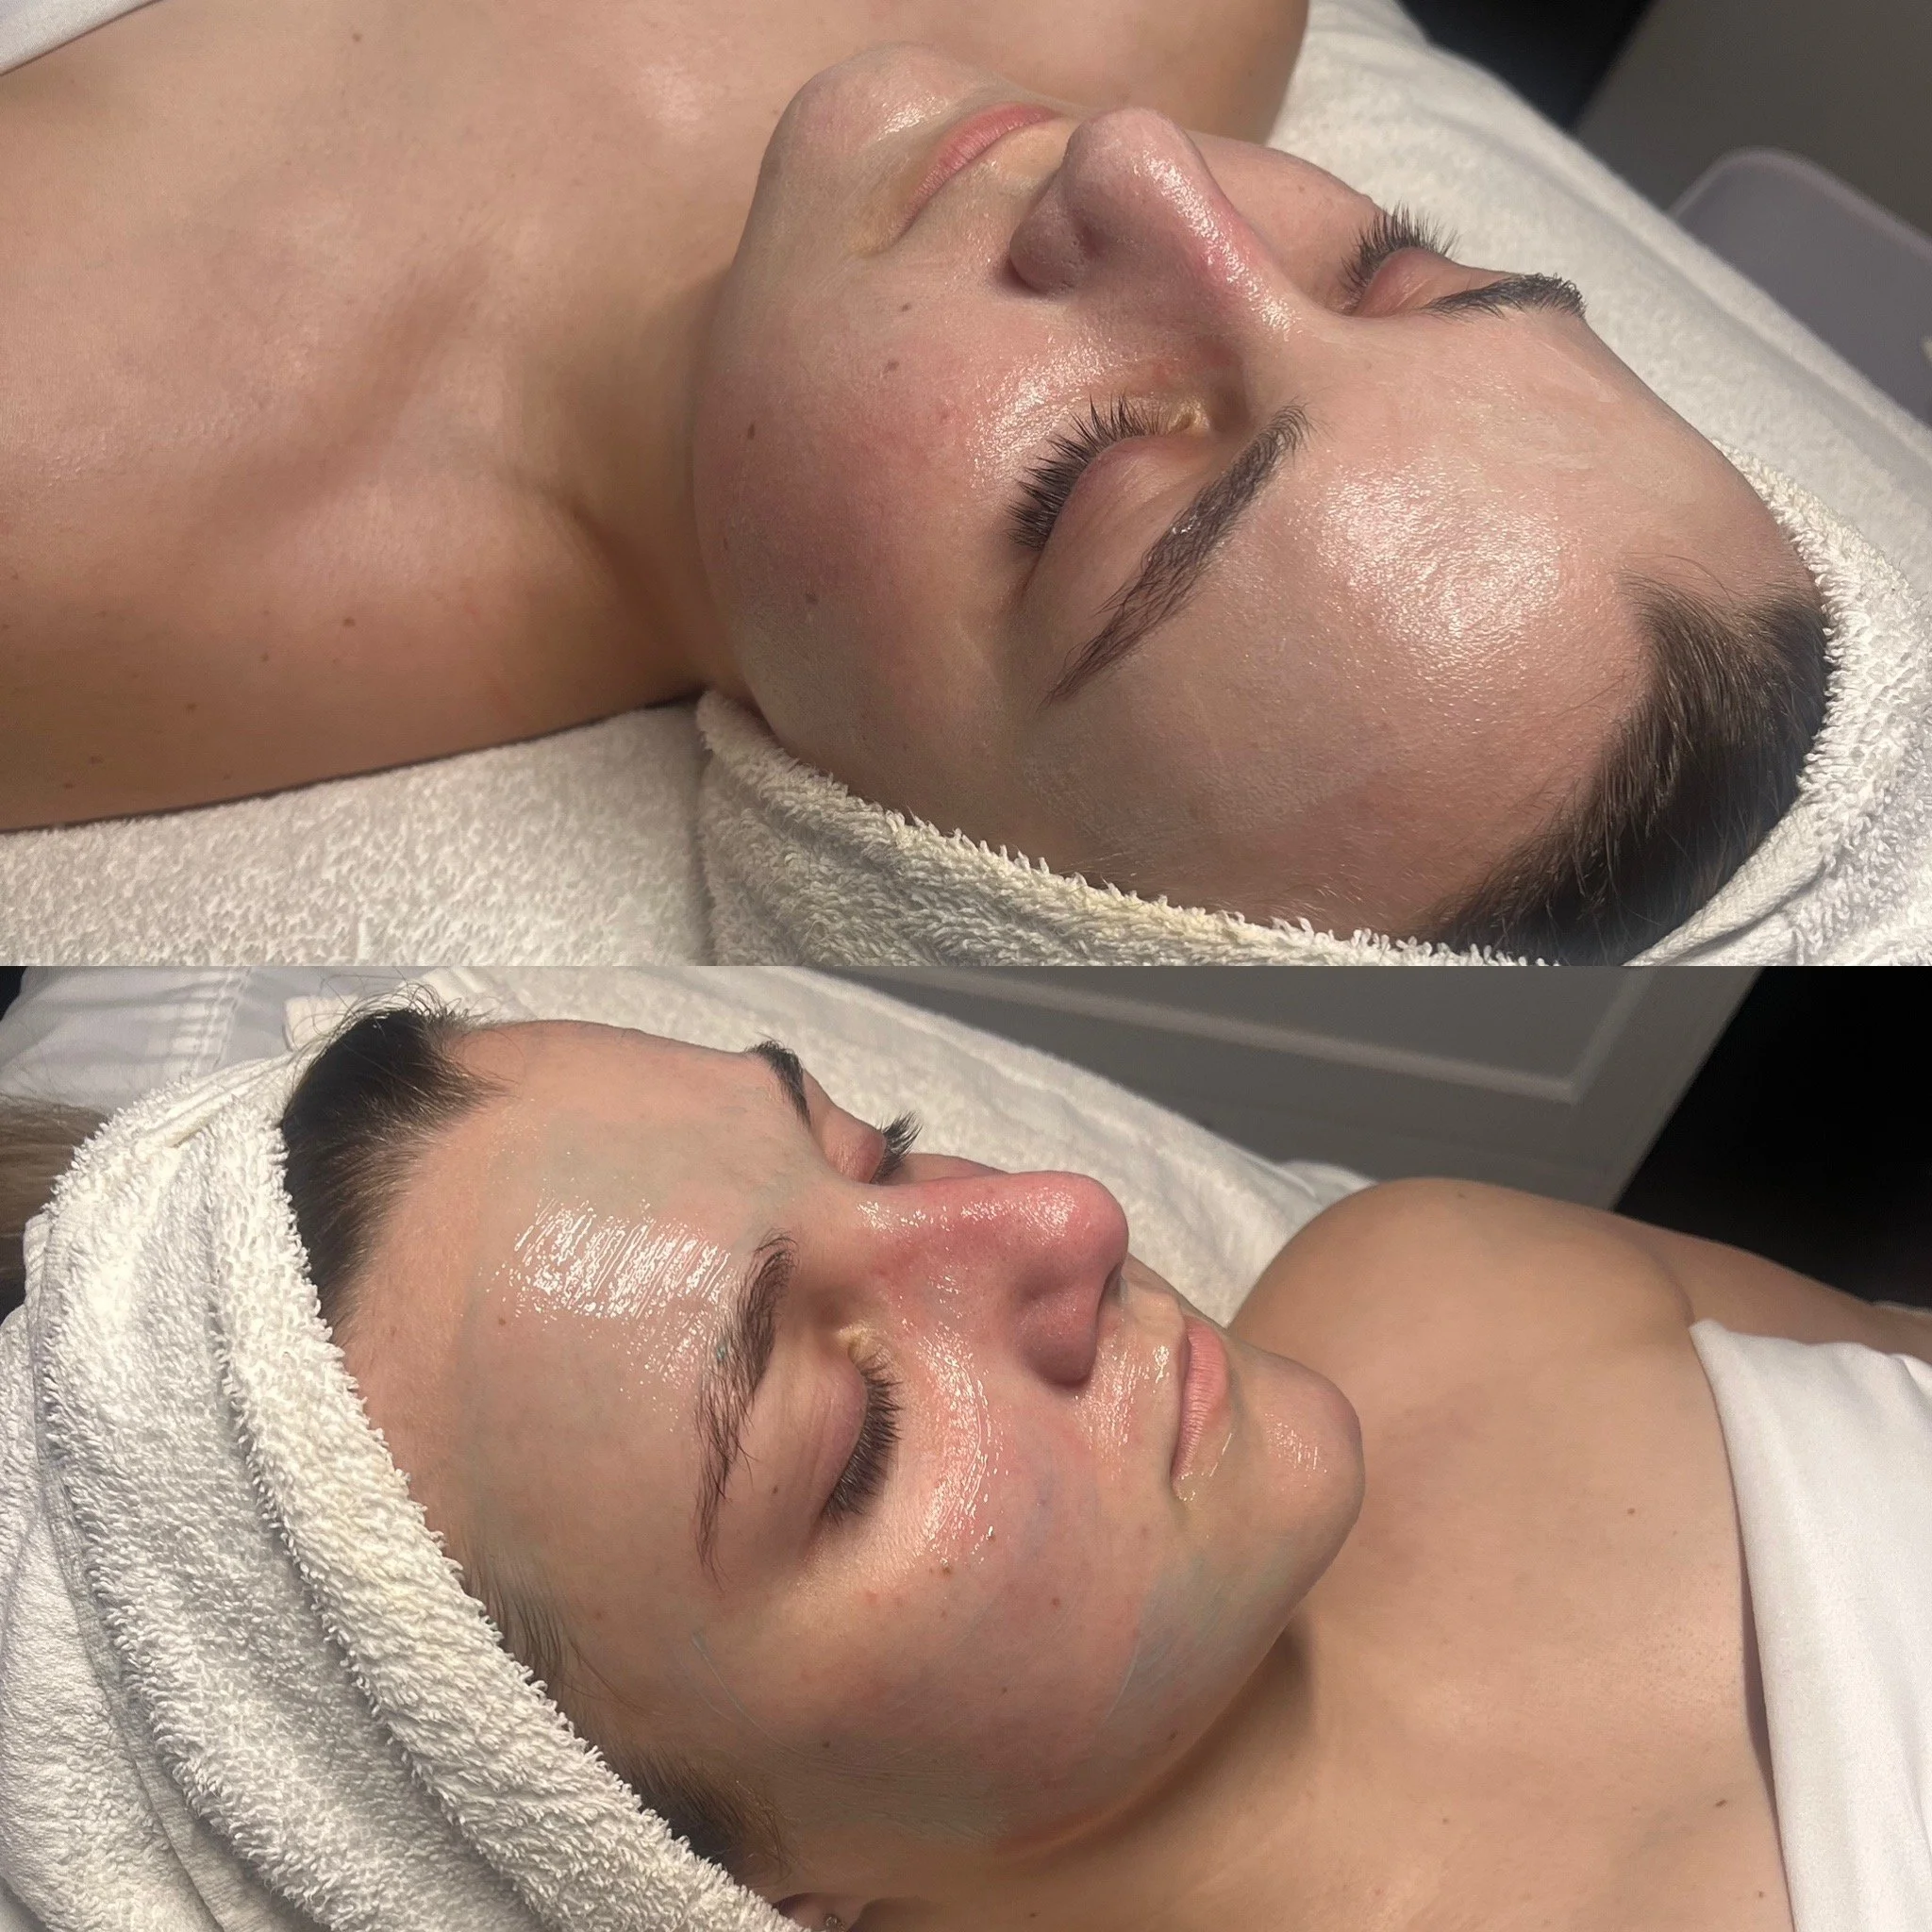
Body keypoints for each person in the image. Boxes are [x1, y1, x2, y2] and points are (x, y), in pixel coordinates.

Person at [8, 1000, 1926, 1927]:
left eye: (883, 1149)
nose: (1067, 1216)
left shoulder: (1445, 1287)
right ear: (719, 1887)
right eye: (859, 1440)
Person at [0, 0, 1826, 960]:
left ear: (866, 829)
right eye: (1392, 272)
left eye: (1096, 474)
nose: (1146, 173)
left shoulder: (61, 498)